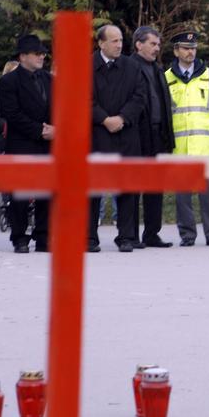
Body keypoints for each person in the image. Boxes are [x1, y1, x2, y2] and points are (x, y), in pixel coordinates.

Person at [166, 31, 209, 247]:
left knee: (208, 193)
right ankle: (187, 235)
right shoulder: (167, 77)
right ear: (176, 51)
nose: (190, 52)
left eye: (193, 48)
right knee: (182, 196)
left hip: (204, 144)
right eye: (185, 48)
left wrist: (207, 122)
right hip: (180, 145)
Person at [89, 25, 147, 253]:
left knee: (127, 187)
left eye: (121, 40)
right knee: (93, 188)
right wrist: (104, 119)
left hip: (126, 134)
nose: (119, 45)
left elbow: (139, 97)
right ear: (101, 43)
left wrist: (122, 118)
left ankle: (126, 236)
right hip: (96, 134)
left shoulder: (132, 66)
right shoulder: (86, 66)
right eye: (114, 41)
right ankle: (89, 237)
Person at [0, 35, 53, 253]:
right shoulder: (8, 81)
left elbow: (59, 107)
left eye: (43, 53)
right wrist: (40, 130)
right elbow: (11, 114)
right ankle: (19, 237)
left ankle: (44, 236)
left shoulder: (49, 79)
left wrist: (56, 129)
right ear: (22, 56)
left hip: (48, 144)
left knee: (46, 192)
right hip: (22, 143)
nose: (41, 57)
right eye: (36, 53)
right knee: (20, 193)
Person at [130, 26, 175, 248]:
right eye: (152, 44)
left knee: (155, 186)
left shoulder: (158, 69)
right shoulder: (129, 67)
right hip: (138, 135)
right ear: (139, 44)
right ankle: (130, 234)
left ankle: (151, 233)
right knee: (133, 186)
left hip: (158, 134)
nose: (157, 48)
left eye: (158, 44)